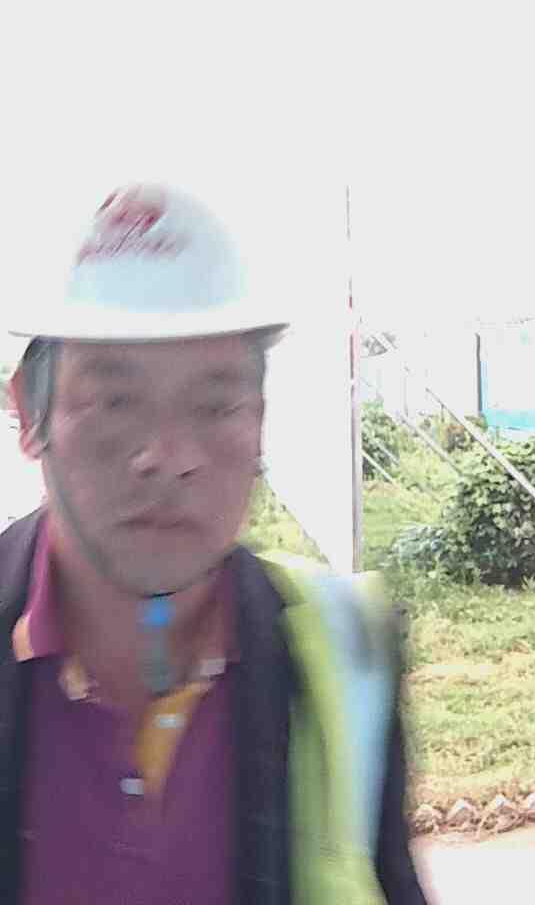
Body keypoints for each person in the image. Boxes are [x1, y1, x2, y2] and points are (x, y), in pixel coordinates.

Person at [0, 184, 428, 904]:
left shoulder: (346, 648)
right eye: (116, 400)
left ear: (258, 422)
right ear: (28, 413)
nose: (167, 456)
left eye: (214, 403)